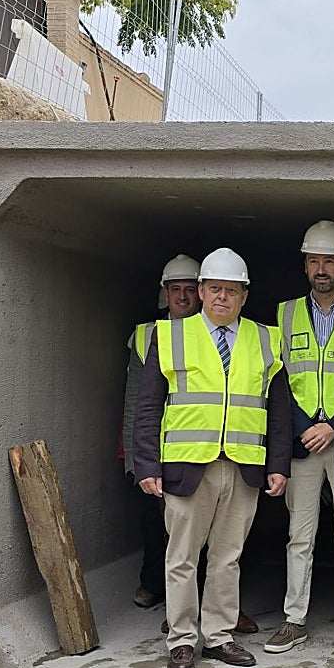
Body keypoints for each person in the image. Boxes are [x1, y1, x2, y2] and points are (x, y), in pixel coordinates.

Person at [133, 248, 291, 668]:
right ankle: (182, 640)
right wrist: (147, 465)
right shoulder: (170, 336)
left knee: (227, 556)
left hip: (242, 466)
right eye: (215, 289)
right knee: (181, 556)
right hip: (186, 466)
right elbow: (147, 407)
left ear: (244, 296)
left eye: (232, 291)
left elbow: (278, 410)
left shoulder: (265, 339)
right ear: (201, 292)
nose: (222, 297)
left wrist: (279, 464)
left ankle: (219, 636)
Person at [267, 221, 334, 658]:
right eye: (313, 260)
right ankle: (294, 620)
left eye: (328, 260)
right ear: (305, 265)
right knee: (300, 535)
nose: (321, 268)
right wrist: (302, 427)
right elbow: (280, 382)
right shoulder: (285, 312)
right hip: (302, 441)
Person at [123, 255, 200, 610]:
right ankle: (153, 584)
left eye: (188, 289)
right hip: (157, 448)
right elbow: (134, 401)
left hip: (198, 447)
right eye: (175, 290)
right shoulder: (145, 336)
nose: (182, 297)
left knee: (201, 533)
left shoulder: (213, 335)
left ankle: (201, 600)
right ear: (164, 294)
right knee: (156, 525)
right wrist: (135, 458)